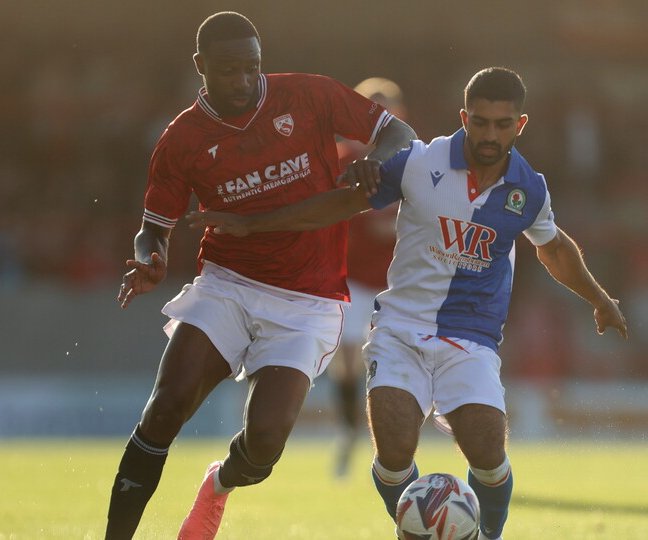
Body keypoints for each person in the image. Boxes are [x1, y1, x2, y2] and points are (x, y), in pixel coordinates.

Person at [188, 66, 628, 540]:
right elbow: (339, 204)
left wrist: (599, 299)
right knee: (395, 450)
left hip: (471, 336)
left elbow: (554, 247)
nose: (490, 134)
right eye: (480, 122)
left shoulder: (528, 189)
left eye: (503, 125)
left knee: (486, 448)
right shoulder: (419, 161)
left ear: (520, 125)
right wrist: (255, 223)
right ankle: (418, 530)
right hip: (400, 328)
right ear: (464, 117)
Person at [104, 11, 416, 540]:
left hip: (308, 300)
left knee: (266, 440)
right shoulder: (182, 139)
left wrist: (375, 162)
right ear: (200, 66)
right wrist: (150, 256)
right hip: (227, 284)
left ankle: (218, 486)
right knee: (165, 408)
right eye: (228, 70)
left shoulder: (309, 95)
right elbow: (152, 227)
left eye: (251, 67)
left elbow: (398, 132)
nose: (244, 80)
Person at [331, 77, 406, 478]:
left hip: (399, 280)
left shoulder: (412, 158)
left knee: (399, 358)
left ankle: (397, 441)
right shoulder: (343, 158)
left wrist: (395, 226)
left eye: (385, 106)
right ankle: (348, 431)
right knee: (346, 359)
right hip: (354, 278)